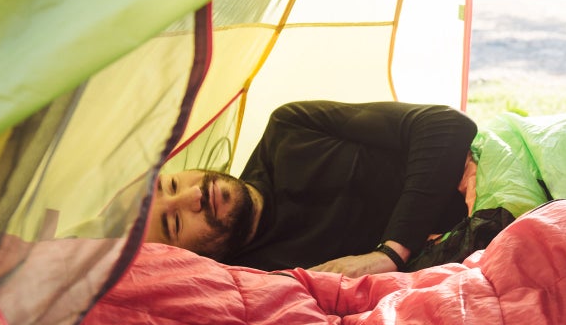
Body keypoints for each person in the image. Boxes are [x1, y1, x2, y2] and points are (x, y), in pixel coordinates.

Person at [144, 100, 477, 276]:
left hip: (492, 187)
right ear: (190, 258)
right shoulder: (261, 278)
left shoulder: (290, 128)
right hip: (472, 261)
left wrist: (389, 252)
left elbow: (446, 125)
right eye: (174, 222)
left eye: (171, 184)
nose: (193, 196)